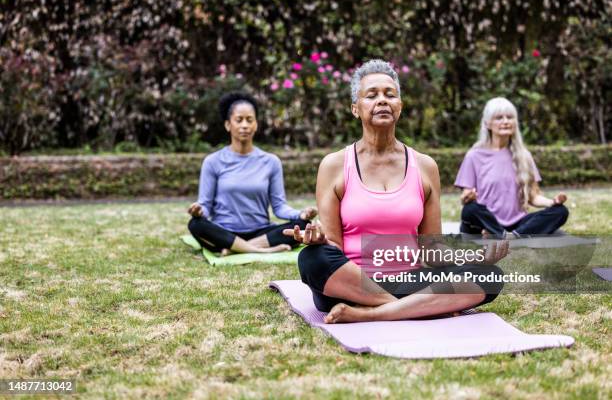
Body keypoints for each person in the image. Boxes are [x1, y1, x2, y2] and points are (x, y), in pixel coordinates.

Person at [284, 60, 508, 324]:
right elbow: (334, 247)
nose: (382, 100)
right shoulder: (334, 165)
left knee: (490, 275)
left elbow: (432, 251)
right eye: (372, 95)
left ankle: (373, 314)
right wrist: (319, 240)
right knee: (312, 259)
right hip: (350, 284)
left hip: (408, 282)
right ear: (355, 109)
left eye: (390, 95)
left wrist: (472, 255)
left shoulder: (425, 166)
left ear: (399, 107)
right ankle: (421, 307)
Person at [188, 92, 317, 255]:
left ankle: (237, 249)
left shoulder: (271, 162)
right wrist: (198, 211)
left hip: (261, 232)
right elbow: (205, 206)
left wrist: (301, 213)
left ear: (256, 125)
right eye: (239, 120)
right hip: (224, 232)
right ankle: (261, 250)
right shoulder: (212, 161)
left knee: (303, 225)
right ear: (228, 125)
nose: (244, 125)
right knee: (196, 224)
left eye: (250, 120)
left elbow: (279, 207)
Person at [455, 97, 569, 238]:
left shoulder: (524, 156)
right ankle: (503, 234)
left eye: (509, 117)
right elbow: (467, 196)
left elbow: (533, 197)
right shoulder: (473, 156)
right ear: (487, 123)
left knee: (561, 211)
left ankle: (510, 237)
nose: (505, 121)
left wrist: (553, 202)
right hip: (486, 222)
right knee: (470, 210)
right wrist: (467, 197)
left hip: (517, 224)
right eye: (499, 118)